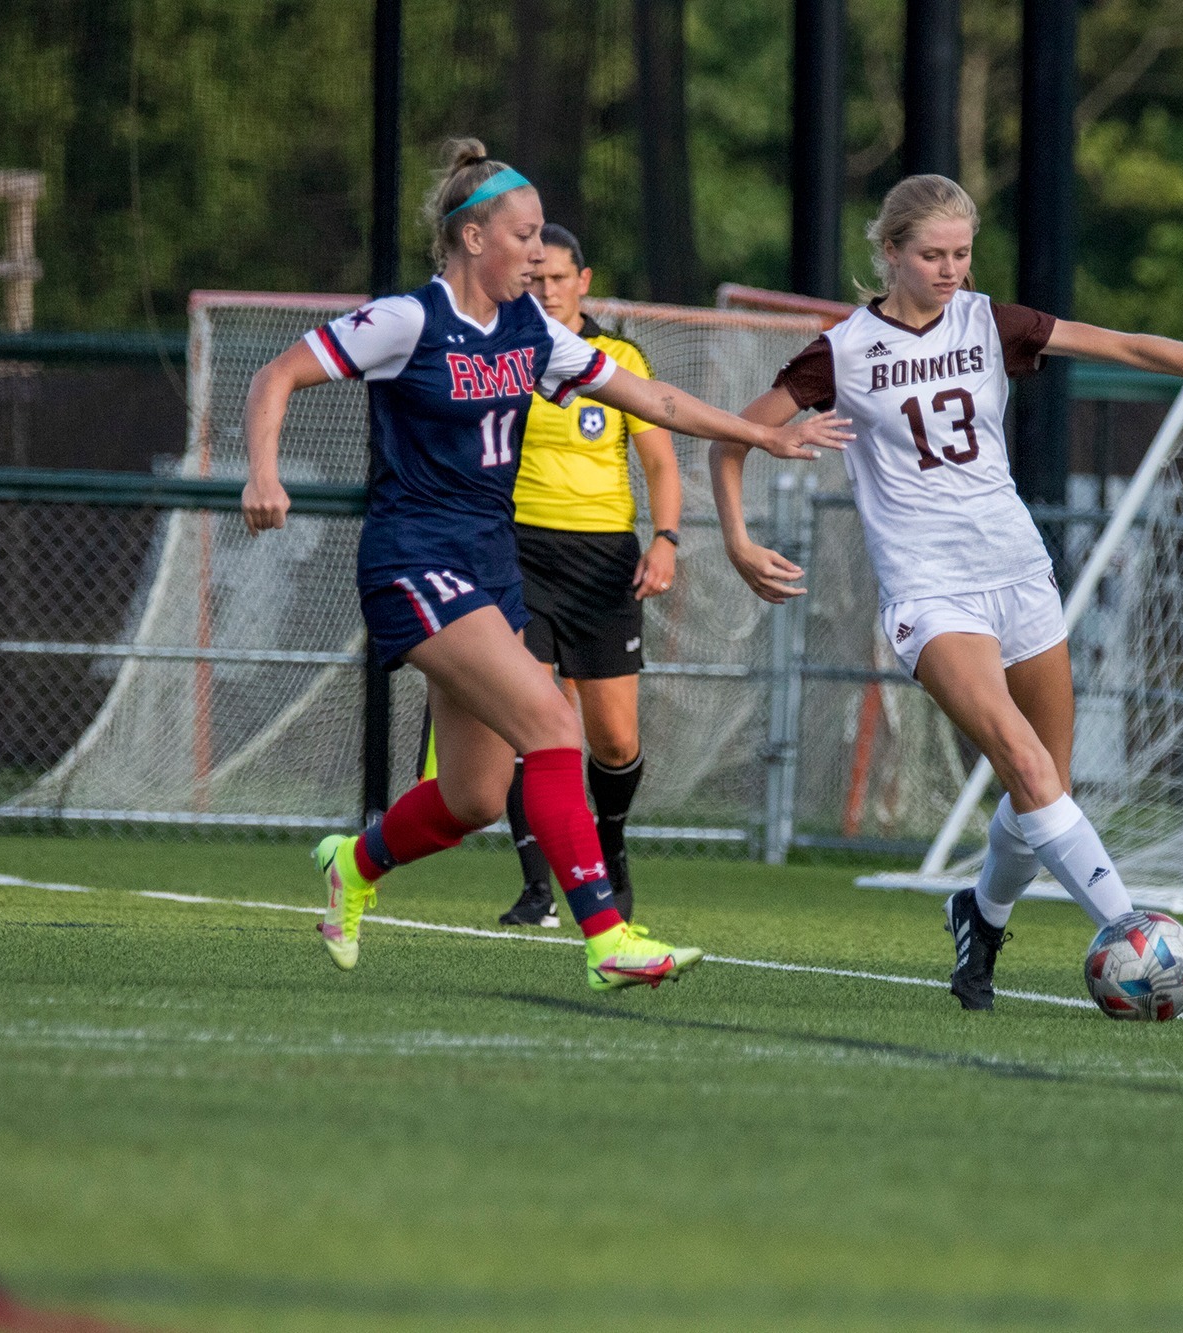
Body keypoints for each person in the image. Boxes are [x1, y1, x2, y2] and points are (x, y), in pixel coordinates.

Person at [241, 139, 848, 990]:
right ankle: (607, 938)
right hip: (415, 560)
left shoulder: (531, 332)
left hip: (491, 567)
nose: (537, 253)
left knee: (473, 799)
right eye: (524, 236)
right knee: (555, 725)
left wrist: (761, 434)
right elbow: (276, 375)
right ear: (473, 238)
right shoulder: (408, 320)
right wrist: (263, 473)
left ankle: (353, 863)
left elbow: (655, 399)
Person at [711, 174, 1183, 1011]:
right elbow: (732, 438)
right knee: (1027, 764)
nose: (950, 269)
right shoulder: (843, 351)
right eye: (932, 254)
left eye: (961, 253)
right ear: (890, 252)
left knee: (1044, 788)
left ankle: (981, 916)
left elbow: (1130, 347)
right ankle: (1135, 931)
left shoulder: (987, 322)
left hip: (1019, 573)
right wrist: (739, 539)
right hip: (931, 592)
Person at [417, 223, 678, 929]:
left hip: (603, 561)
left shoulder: (619, 357)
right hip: (516, 552)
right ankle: (539, 887)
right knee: (531, 718)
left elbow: (659, 460)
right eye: (536, 279)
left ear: (583, 282)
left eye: (560, 278)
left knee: (614, 738)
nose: (548, 290)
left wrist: (666, 539)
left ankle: (610, 844)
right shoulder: (503, 353)